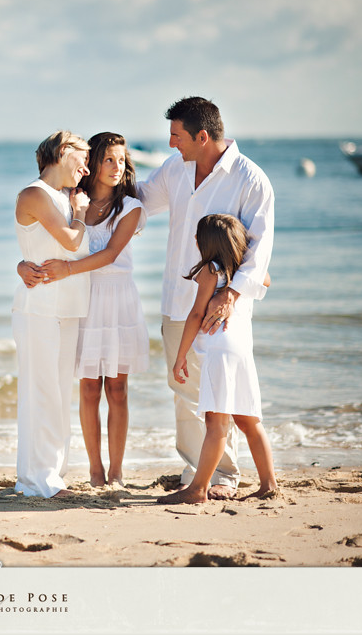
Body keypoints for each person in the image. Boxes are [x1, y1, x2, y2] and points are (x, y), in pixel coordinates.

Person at [138, 97, 274, 499]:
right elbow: (141, 202)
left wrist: (230, 295)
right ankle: (195, 469)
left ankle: (224, 476)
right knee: (183, 389)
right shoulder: (174, 169)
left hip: (221, 306)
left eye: (176, 135)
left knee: (220, 395)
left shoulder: (251, 180)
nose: (170, 143)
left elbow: (259, 249)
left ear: (202, 136)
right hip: (175, 296)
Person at [18, 133, 148, 488]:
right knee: (88, 388)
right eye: (108, 159)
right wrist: (22, 264)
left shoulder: (131, 208)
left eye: (122, 161)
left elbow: (110, 255)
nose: (116, 167)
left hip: (117, 299)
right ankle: (95, 471)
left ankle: (117, 472)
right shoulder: (70, 200)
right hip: (83, 298)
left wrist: (67, 269)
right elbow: (40, 239)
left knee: (117, 388)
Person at [158, 214, 276, 504]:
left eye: (198, 237)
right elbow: (266, 279)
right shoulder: (245, 273)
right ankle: (269, 484)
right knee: (249, 421)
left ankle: (198, 489)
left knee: (216, 423)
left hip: (218, 353)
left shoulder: (210, 271)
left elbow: (197, 314)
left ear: (206, 243)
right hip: (241, 351)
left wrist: (181, 355)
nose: (195, 241)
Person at [12, 130, 92, 498]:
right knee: (42, 393)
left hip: (67, 307)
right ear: (63, 152)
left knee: (60, 394)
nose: (87, 168)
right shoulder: (35, 194)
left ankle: (47, 477)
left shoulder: (62, 198)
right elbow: (71, 241)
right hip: (39, 307)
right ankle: (40, 479)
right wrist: (79, 214)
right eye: (83, 157)